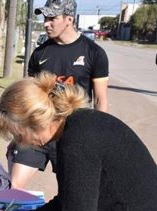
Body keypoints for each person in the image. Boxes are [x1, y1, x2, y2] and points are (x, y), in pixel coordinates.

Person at [0, 72, 157, 211]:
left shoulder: (76, 141)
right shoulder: (79, 126)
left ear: (33, 122)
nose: (19, 143)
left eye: (17, 135)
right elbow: (70, 201)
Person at [8, 0, 109, 189]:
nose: (46, 23)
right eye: (45, 18)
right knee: (14, 186)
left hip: (72, 134)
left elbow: (100, 99)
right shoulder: (40, 53)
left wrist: (97, 137)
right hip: (38, 129)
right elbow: (28, 96)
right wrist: (18, 134)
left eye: (52, 18)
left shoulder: (94, 53)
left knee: (71, 192)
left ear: (69, 19)